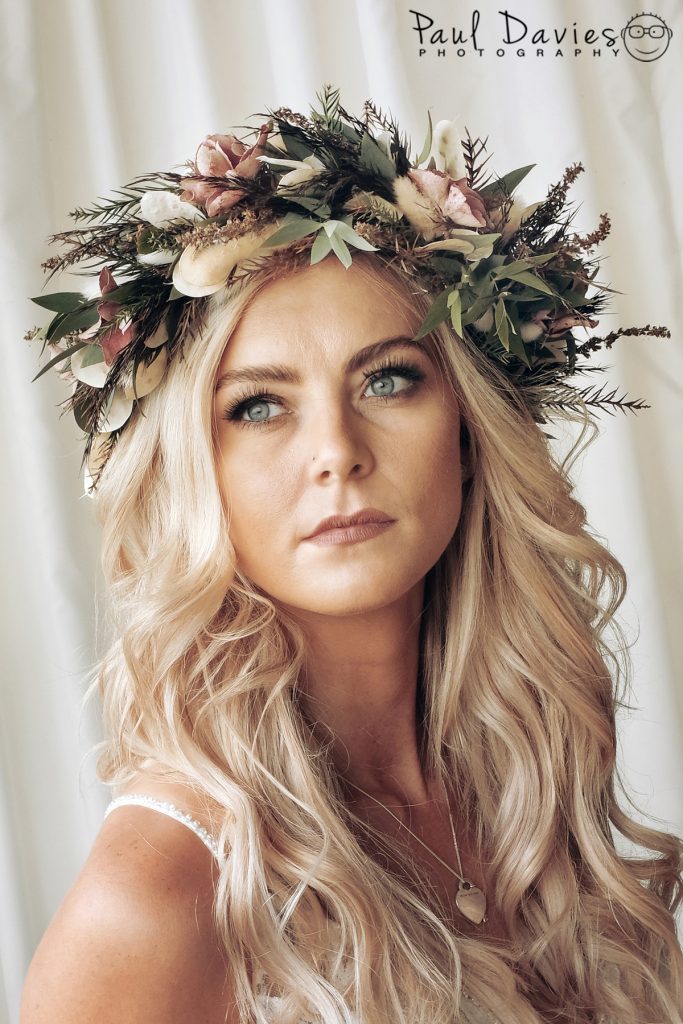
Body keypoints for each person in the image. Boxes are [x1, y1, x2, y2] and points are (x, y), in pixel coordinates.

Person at [20, 88, 682, 1024]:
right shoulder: (160, 897)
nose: (336, 449)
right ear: (191, 471)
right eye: (258, 405)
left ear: (464, 429)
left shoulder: (528, 796)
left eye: (386, 379)